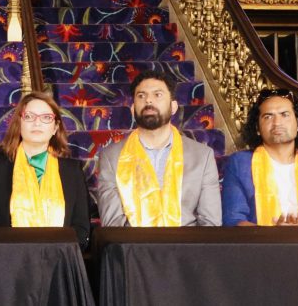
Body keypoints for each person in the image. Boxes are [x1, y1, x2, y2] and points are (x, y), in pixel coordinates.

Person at [94, 71, 221, 227]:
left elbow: (210, 223)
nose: (148, 100)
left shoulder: (202, 156)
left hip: (187, 242)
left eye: (157, 95)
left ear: (173, 107)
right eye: (141, 96)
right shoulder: (111, 157)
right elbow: (113, 224)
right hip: (131, 242)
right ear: (133, 109)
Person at [0, 92, 91, 245]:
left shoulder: (72, 171)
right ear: (19, 123)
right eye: (29, 116)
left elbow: (81, 228)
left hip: (60, 257)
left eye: (46, 117)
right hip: (7, 257)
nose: (37, 123)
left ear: (55, 127)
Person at [222, 88, 298, 226]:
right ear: (257, 128)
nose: (277, 122)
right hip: (259, 239)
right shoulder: (240, 163)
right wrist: (274, 234)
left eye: (284, 115)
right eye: (268, 116)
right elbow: (233, 220)